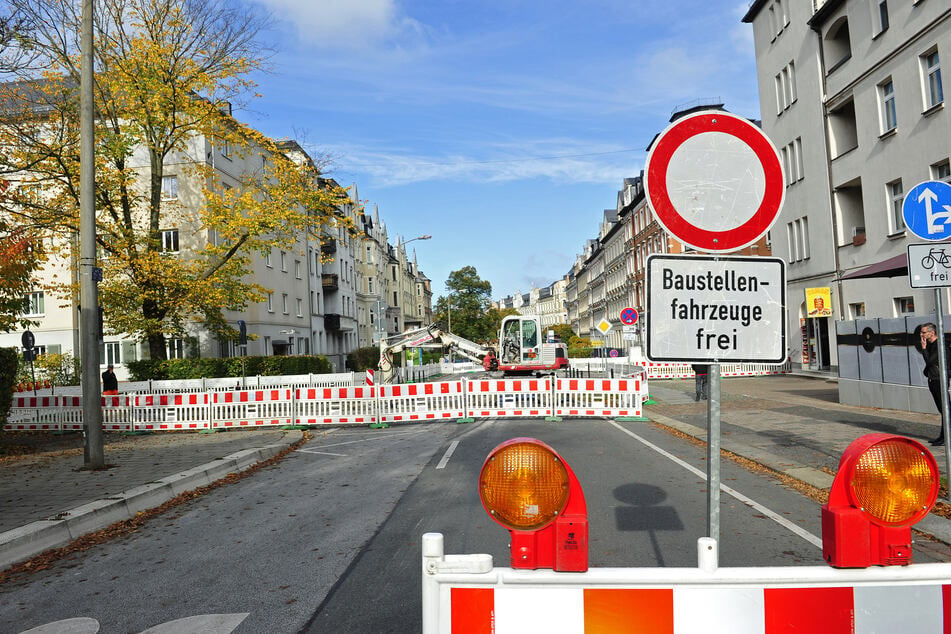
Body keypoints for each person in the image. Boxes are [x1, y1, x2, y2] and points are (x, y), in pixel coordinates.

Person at [919, 323, 947, 446]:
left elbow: (930, 361)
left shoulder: (939, 344)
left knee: (945, 409)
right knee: (943, 410)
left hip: (939, 379)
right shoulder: (931, 344)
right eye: (921, 332)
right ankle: (943, 436)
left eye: (924, 332)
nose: (921, 334)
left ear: (932, 332)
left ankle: (945, 437)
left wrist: (924, 349)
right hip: (932, 379)